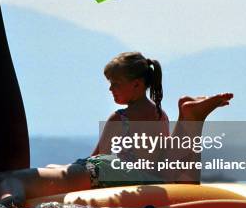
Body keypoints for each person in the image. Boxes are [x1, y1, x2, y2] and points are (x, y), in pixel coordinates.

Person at [73, 52, 233, 184]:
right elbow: (164, 155)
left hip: (128, 182)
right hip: (155, 179)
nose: (110, 88)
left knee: (69, 168)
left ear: (136, 84)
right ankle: (188, 115)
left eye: (116, 83)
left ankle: (189, 113)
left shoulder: (120, 119)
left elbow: (97, 160)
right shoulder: (160, 115)